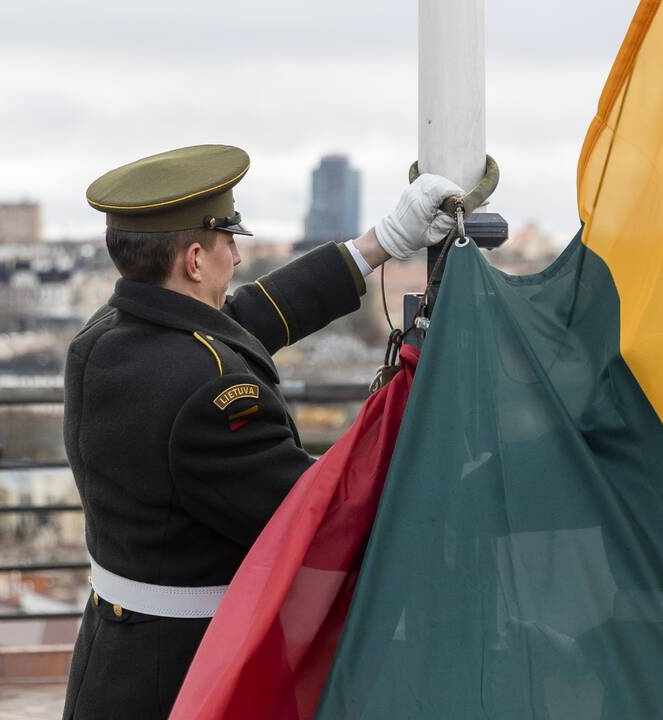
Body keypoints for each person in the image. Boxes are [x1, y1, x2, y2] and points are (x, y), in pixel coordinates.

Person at [61, 144, 462, 718]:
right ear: (195, 260)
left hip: (114, 654)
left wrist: (382, 241)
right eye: (229, 240)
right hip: (187, 670)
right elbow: (322, 518)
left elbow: (248, 316)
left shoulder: (105, 338)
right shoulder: (213, 396)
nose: (238, 257)